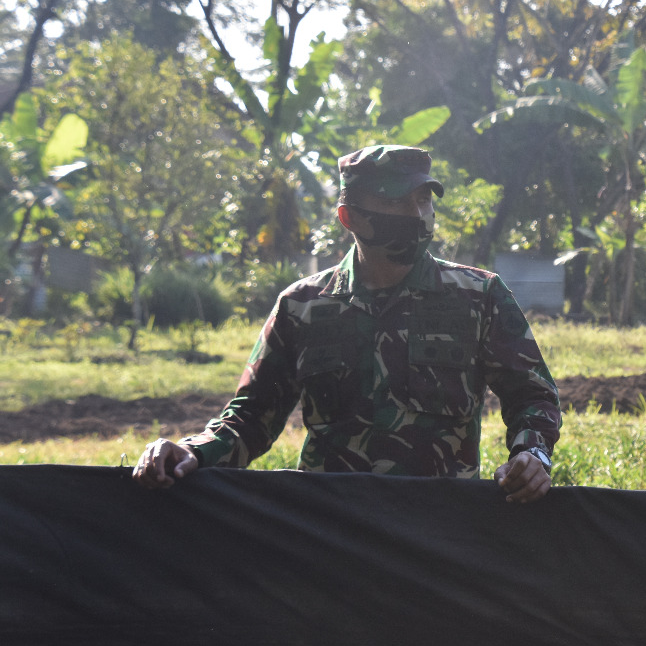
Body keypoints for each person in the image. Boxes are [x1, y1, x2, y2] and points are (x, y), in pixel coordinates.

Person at [134, 144, 561, 504]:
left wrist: (532, 454)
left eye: (424, 200)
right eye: (395, 202)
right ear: (349, 217)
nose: (416, 214)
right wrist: (193, 451)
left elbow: (533, 396)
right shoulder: (302, 306)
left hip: (439, 530)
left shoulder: (479, 296)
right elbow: (251, 418)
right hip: (329, 534)